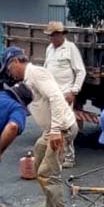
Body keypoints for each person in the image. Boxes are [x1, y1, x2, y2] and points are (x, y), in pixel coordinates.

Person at [0, 46, 78, 207]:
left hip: (61, 129)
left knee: (47, 174)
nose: (10, 73)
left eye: (9, 69)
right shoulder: (28, 79)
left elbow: (56, 98)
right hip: (51, 130)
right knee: (38, 158)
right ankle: (50, 206)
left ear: (15, 62)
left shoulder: (36, 73)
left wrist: (55, 130)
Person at [43, 21, 86, 169]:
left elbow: (80, 71)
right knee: (51, 126)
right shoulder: (49, 49)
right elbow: (46, 69)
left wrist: (73, 91)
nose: (53, 38)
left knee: (65, 126)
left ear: (61, 35)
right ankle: (55, 156)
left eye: (55, 35)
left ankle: (69, 157)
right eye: (51, 36)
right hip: (51, 93)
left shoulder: (70, 48)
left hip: (64, 94)